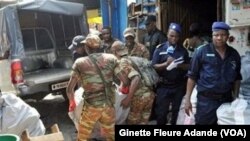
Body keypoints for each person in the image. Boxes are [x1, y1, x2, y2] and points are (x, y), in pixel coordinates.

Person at [184, 22, 242, 125]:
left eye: (223, 35)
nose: (219, 38)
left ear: (228, 36)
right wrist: (187, 99)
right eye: (216, 35)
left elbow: (237, 78)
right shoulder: (201, 52)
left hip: (226, 101)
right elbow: (192, 77)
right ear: (212, 36)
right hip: (206, 102)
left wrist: (236, 97)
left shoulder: (234, 54)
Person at [66, 34, 118, 141]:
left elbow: (69, 88)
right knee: (111, 136)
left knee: (83, 136)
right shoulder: (112, 58)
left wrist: (72, 102)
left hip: (92, 106)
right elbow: (123, 80)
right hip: (108, 104)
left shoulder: (80, 62)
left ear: (86, 47)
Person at [151, 23, 189, 125]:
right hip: (163, 86)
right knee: (161, 113)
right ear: (167, 35)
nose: (174, 38)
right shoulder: (160, 49)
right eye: (171, 36)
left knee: (176, 112)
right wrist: (165, 64)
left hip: (178, 86)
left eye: (176, 36)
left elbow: (188, 67)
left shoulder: (183, 51)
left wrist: (179, 65)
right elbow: (153, 66)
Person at [111, 41, 155, 124]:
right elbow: (126, 80)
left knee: (133, 122)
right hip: (149, 95)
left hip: (138, 97)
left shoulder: (123, 62)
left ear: (114, 52)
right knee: (143, 122)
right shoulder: (133, 58)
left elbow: (136, 78)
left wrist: (128, 98)